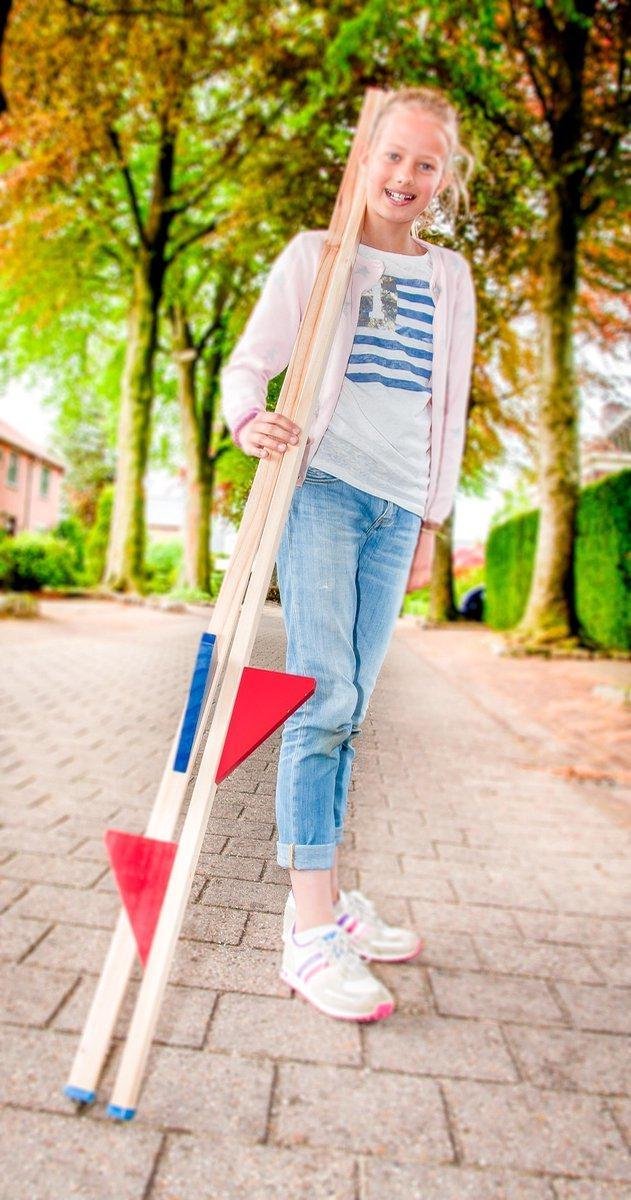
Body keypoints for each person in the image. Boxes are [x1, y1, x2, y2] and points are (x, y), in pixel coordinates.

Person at [220, 85, 477, 1022]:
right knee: (322, 694)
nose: (405, 176)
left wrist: (430, 522)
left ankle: (328, 899)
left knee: (353, 703)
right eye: (392, 156)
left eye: (426, 162)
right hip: (322, 490)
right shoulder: (315, 258)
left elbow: (445, 407)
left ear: (444, 178)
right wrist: (249, 419)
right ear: (361, 158)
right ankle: (306, 932)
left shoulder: (449, 278)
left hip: (397, 509)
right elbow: (248, 364)